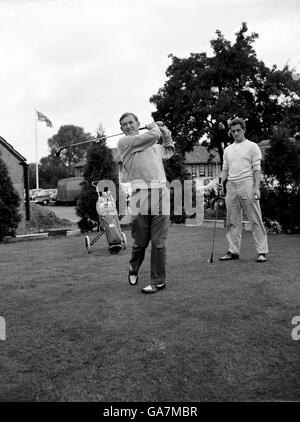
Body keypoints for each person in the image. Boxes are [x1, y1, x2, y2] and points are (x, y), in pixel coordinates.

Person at [117, 112, 174, 293]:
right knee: (140, 242)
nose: (128, 126)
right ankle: (134, 267)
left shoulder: (154, 146)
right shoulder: (125, 143)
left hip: (160, 194)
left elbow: (169, 150)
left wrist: (166, 132)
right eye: (124, 124)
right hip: (139, 196)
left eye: (131, 123)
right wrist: (155, 128)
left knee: (159, 242)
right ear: (121, 129)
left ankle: (158, 281)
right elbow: (153, 135)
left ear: (137, 123)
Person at [218, 117, 269, 262]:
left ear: (244, 130)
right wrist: (221, 181)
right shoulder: (227, 149)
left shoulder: (252, 146)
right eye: (233, 131)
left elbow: (257, 170)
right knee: (233, 220)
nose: (235, 133)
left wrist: (256, 188)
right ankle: (233, 251)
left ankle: (262, 252)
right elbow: (225, 169)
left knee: (255, 219)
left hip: (247, 184)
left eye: (238, 130)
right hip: (231, 186)